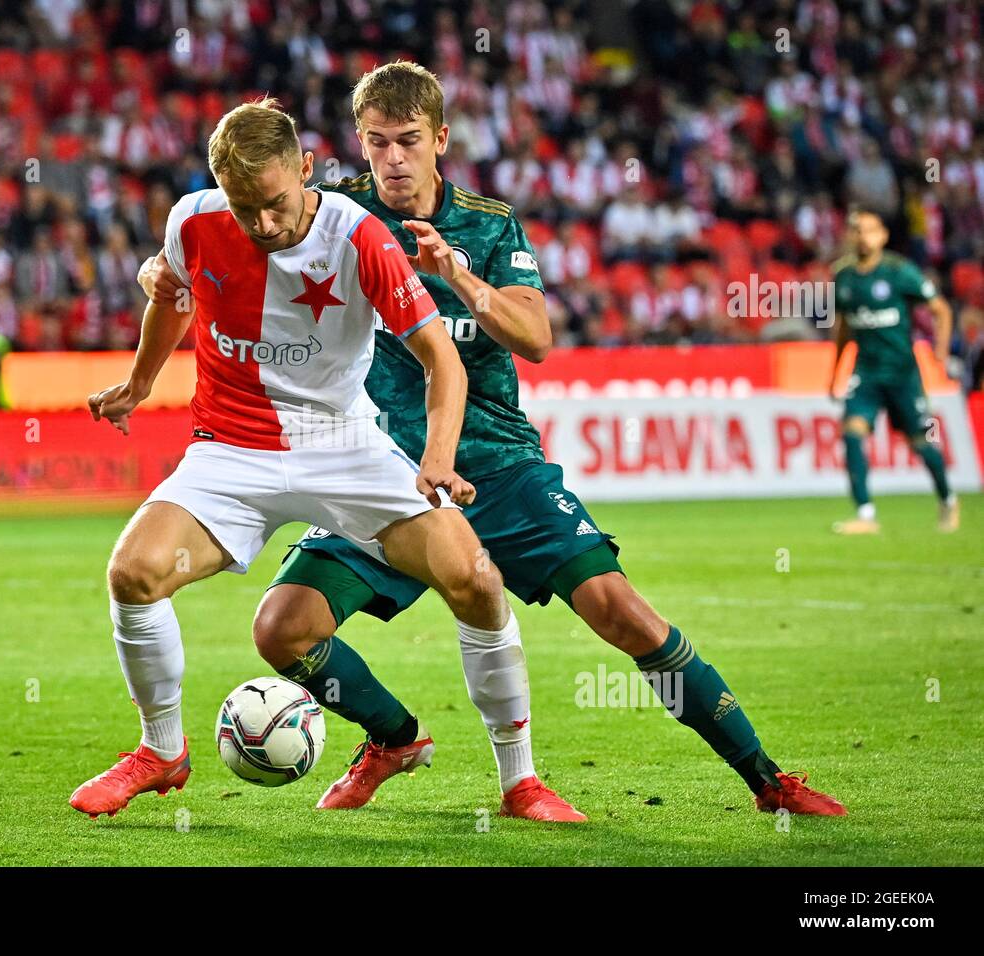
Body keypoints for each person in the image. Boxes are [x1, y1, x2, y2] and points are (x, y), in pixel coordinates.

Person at [143, 62, 846, 820]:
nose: (393, 159)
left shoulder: (489, 223)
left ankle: (768, 779)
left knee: (624, 613)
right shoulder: (325, 216)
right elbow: (220, 240)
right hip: (384, 475)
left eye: (409, 140)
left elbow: (537, 337)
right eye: (377, 142)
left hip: (500, 465)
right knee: (285, 628)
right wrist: (162, 268)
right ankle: (390, 739)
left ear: (440, 138)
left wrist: (462, 280)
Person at [69, 100, 575, 821]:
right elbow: (173, 297)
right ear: (219, 188)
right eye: (246, 208)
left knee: (475, 578)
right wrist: (140, 383)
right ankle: (161, 750)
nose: (265, 224)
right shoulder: (193, 220)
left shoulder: (359, 236)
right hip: (231, 450)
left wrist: (435, 458)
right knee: (133, 572)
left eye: (276, 203)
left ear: (306, 170)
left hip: (343, 444)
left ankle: (520, 780)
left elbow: (443, 360)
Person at [829, 208, 958, 534]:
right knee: (852, 432)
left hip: (903, 374)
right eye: (857, 230)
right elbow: (844, 328)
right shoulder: (843, 277)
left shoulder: (899, 271)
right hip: (866, 374)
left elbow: (940, 309)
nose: (863, 236)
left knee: (921, 441)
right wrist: (836, 372)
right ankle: (866, 514)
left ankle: (948, 500)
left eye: (870, 230)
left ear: (883, 235)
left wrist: (940, 352)